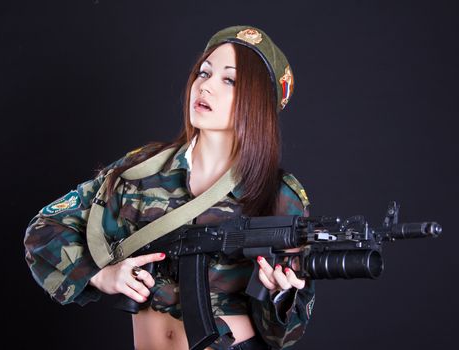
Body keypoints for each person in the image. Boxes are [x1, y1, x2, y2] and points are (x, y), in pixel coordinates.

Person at [24, 25, 316, 350]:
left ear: (258, 102)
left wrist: (280, 294)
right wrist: (100, 275)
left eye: (229, 80)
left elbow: (286, 335)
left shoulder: (278, 194)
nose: (205, 87)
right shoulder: (143, 170)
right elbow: (44, 229)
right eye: (203, 73)